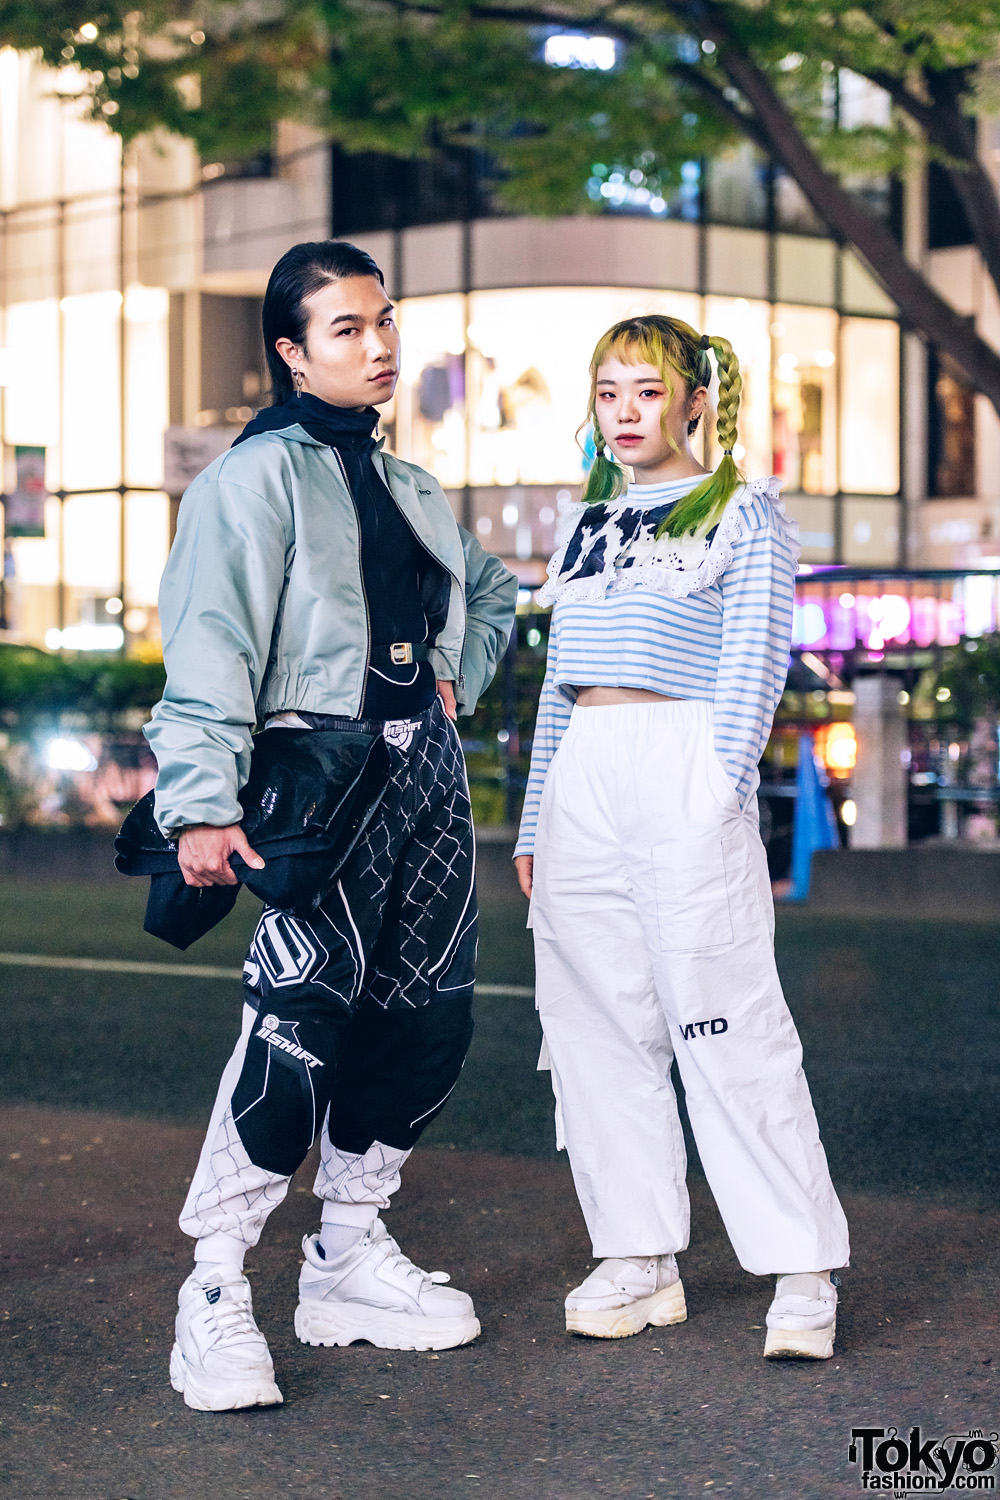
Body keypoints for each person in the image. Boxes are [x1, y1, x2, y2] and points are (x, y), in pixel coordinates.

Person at [146, 240, 517, 1411]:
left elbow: (490, 590)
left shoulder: (412, 487)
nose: (379, 344)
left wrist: (455, 666)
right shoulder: (249, 480)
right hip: (320, 775)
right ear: (293, 353)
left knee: (428, 1018)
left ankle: (347, 1255)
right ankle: (214, 1286)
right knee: (298, 1016)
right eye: (348, 329)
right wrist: (199, 804)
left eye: (385, 321)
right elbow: (210, 644)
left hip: (427, 782)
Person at [514, 314, 849, 1360]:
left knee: (726, 1017)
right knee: (594, 1026)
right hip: (585, 780)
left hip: (683, 760)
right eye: (607, 391)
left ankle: (801, 1268)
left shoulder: (743, 510)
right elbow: (558, 692)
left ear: (695, 399)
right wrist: (535, 816)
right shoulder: (590, 521)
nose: (623, 413)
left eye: (646, 392)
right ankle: (638, 1255)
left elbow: (753, 663)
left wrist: (716, 786)